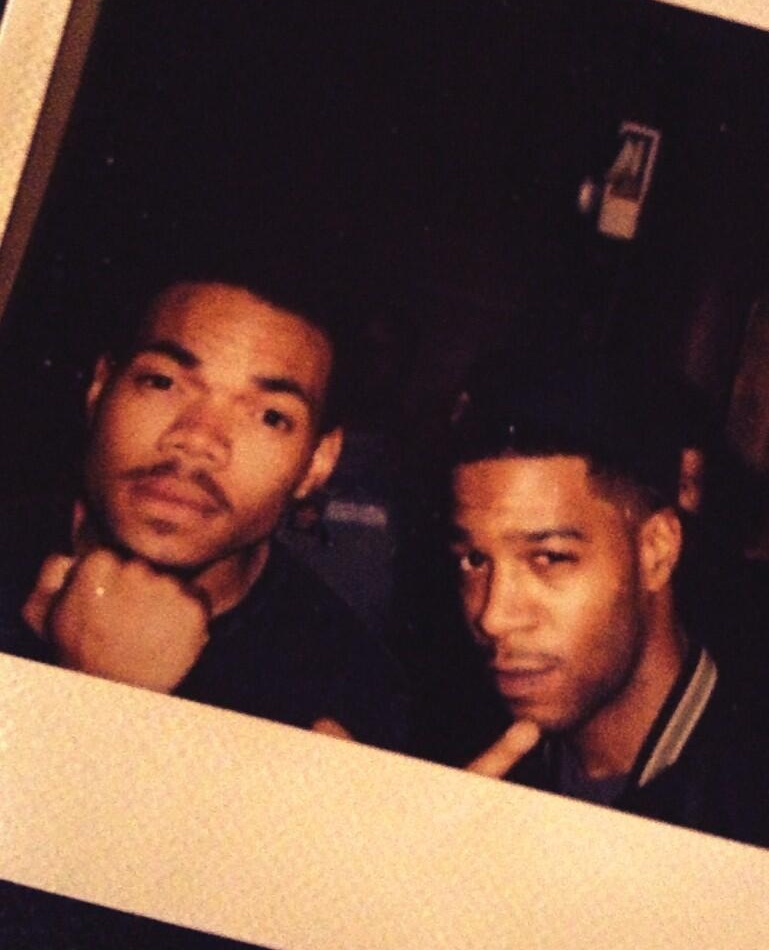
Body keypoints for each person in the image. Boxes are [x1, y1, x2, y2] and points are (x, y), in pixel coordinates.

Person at [0, 254, 408, 743]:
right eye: (163, 382)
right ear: (99, 389)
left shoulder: (348, 691)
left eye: (270, 416)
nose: (198, 439)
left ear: (317, 462)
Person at [442, 349, 768, 847]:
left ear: (656, 551)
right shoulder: (456, 756)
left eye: (550, 557)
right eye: (474, 560)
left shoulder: (746, 811)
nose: (493, 617)